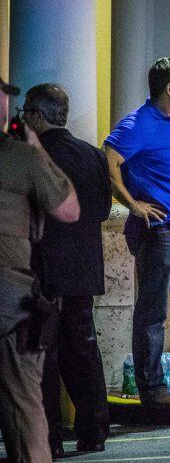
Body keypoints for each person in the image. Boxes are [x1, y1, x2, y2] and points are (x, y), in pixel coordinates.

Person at [104, 57, 170, 410]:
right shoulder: (136, 123)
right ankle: (152, 389)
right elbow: (110, 159)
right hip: (159, 230)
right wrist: (133, 204)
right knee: (152, 312)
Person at [25, 84, 112, 457]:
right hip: (82, 268)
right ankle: (94, 431)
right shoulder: (93, 155)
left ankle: (49, 439)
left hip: (41, 268)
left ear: (38, 116)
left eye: (26, 111)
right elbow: (105, 211)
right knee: (84, 352)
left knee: (43, 356)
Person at [0, 78, 80, 463]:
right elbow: (70, 209)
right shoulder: (23, 158)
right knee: (25, 407)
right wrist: (34, 148)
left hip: (20, 292)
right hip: (14, 298)